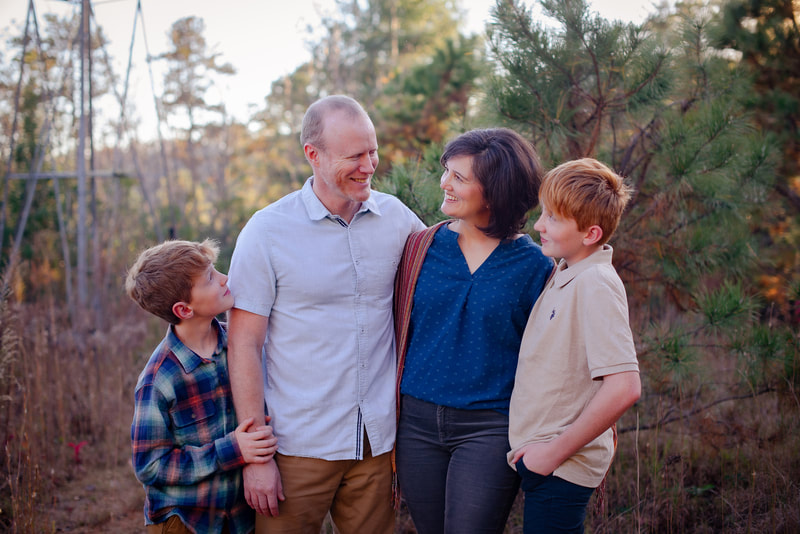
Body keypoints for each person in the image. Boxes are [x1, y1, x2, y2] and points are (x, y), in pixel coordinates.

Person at [225, 95, 425, 534]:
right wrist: (256, 458)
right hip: (298, 446)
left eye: (372, 151)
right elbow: (243, 344)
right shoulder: (267, 232)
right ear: (312, 155)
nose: (369, 165)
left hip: (376, 445)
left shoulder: (398, 220)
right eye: (354, 155)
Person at [393, 127, 555, 534]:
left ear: (496, 192)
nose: (445, 182)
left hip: (489, 427)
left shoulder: (535, 267)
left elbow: (550, 358)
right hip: (416, 425)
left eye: (460, 177)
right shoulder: (419, 248)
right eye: (447, 170)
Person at [508, 158, 642, 533]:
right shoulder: (566, 272)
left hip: (560, 468)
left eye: (552, 217)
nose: (538, 225)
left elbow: (624, 387)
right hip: (547, 465)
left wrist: (549, 455)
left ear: (591, 234)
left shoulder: (596, 282)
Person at [127, 239, 278, 534]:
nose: (224, 279)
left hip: (239, 517)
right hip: (187, 521)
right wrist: (231, 449)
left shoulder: (239, 347)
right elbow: (150, 465)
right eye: (210, 278)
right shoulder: (159, 380)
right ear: (184, 310)